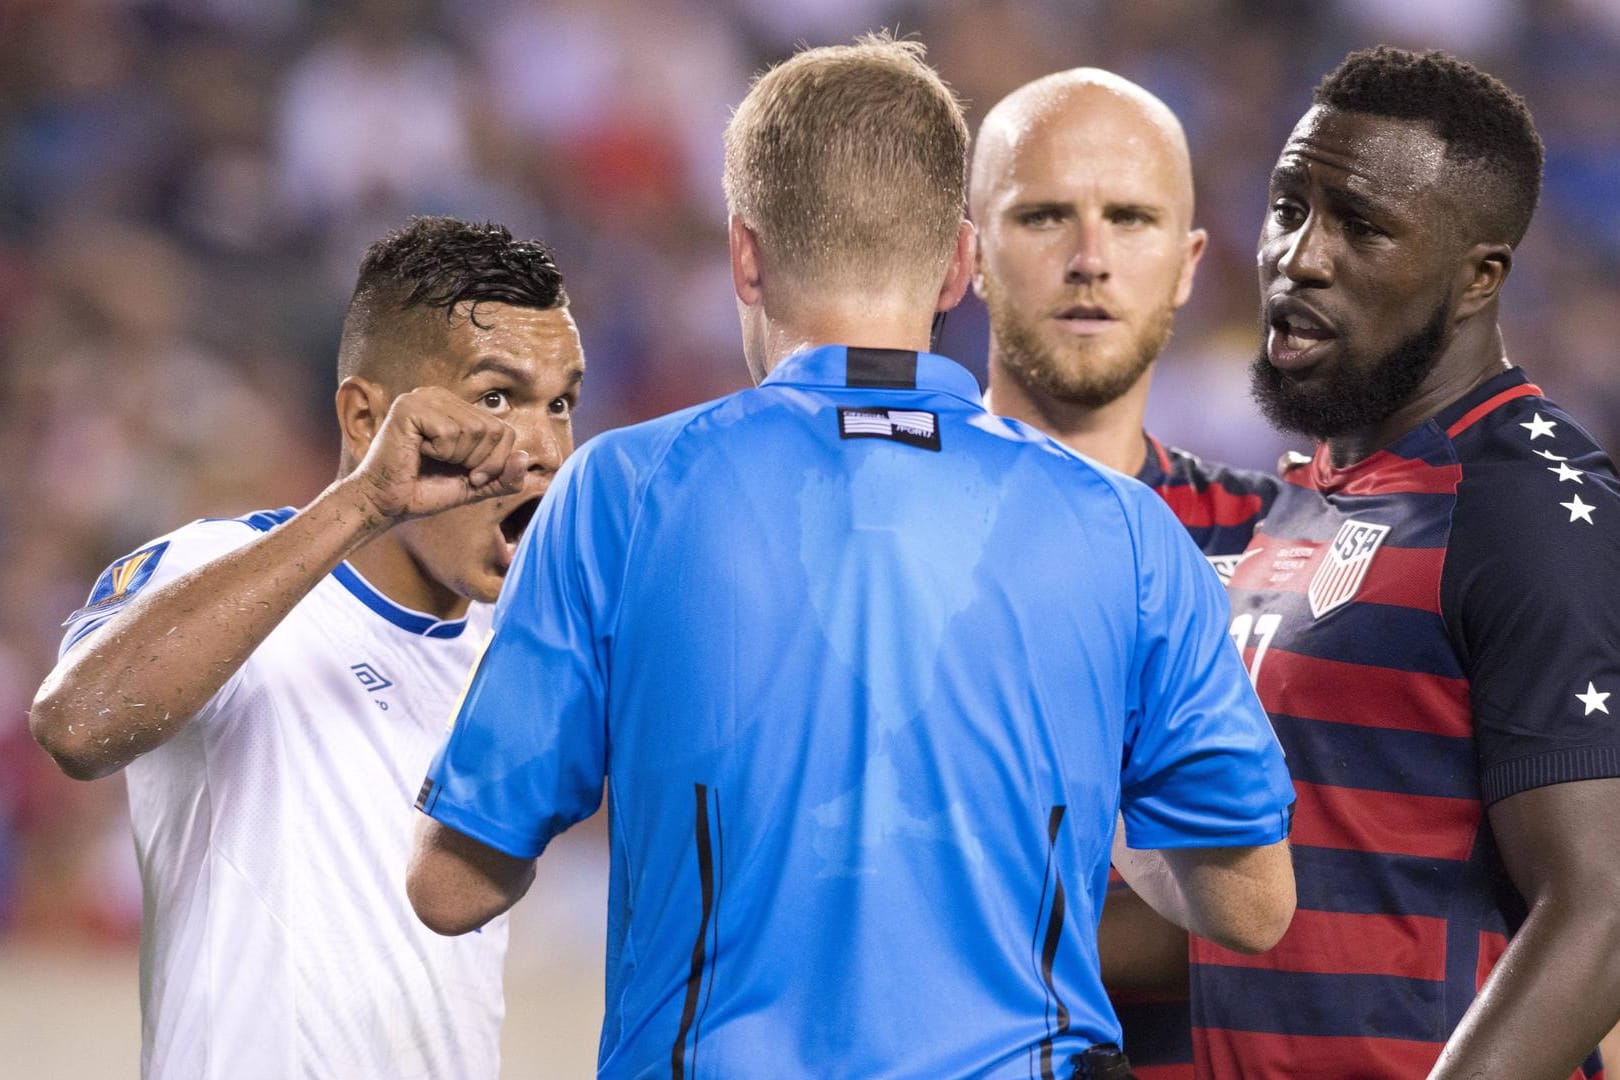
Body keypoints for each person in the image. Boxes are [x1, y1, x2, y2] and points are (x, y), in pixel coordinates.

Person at [406, 34, 1295, 1080]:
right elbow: (1254, 905)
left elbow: (451, 888)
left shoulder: (618, 493)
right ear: (961, 264)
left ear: (744, 253)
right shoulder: (1128, 528)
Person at [29, 216, 585, 1079]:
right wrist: (362, 503)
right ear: (367, 417)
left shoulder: (520, 649)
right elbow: (76, 725)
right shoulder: (214, 567)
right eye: (495, 397)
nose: (545, 446)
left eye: (561, 403)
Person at [1195, 46, 1620, 1079]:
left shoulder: (1526, 507)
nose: (1300, 254)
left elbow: (1603, 906)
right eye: (1290, 204)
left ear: (1479, 277)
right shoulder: (1310, 495)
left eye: (1362, 226)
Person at [971, 68, 1283, 1077]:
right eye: (1046, 215)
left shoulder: (1287, 549)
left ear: (1191, 261)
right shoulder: (862, 535)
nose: (1090, 259)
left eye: (1133, 218)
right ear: (968, 252)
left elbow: (1319, 905)